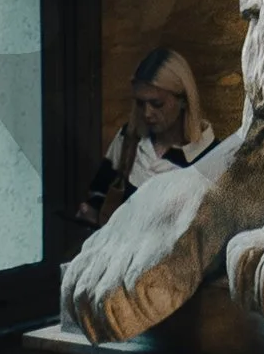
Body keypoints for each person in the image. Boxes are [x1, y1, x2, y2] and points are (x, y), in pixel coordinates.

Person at [79, 47, 217, 231]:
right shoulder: (129, 140)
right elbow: (98, 193)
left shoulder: (211, 156)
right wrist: (89, 212)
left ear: (183, 100)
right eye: (140, 103)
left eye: (157, 104)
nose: (147, 113)